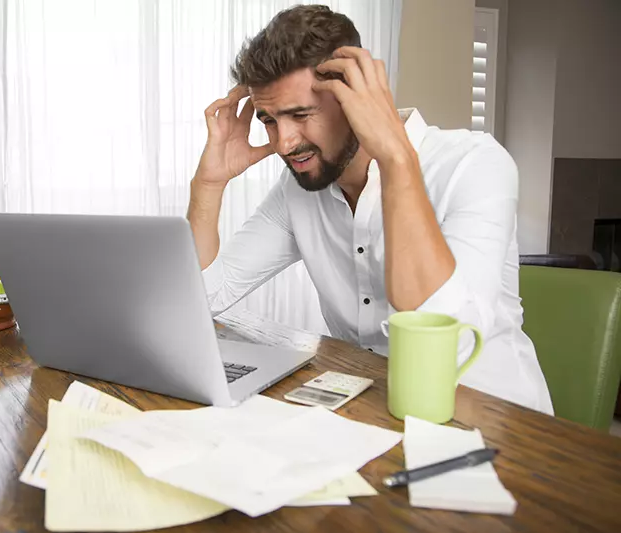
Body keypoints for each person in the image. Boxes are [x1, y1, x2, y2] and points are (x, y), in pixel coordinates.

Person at [186, 5, 553, 414]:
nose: (284, 143)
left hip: (498, 420)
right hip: (378, 411)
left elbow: (449, 344)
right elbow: (200, 298)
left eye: (301, 115)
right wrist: (209, 185)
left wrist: (395, 158)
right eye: (269, 120)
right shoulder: (299, 191)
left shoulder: (474, 164)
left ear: (355, 97)